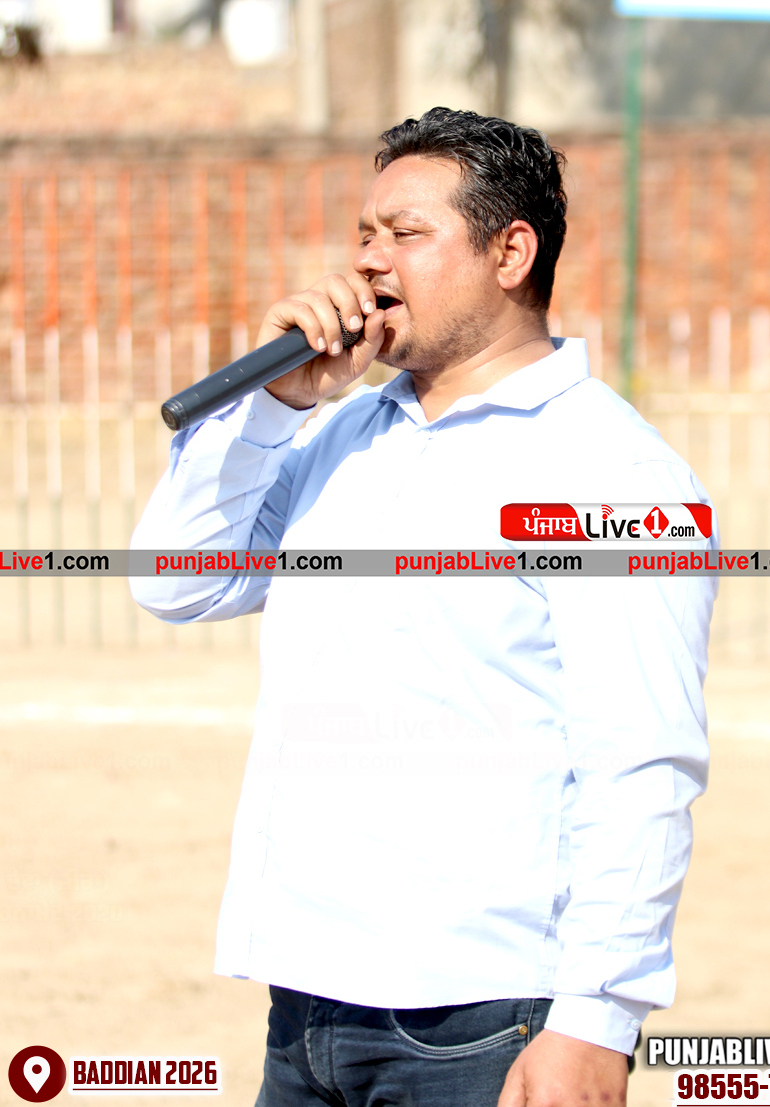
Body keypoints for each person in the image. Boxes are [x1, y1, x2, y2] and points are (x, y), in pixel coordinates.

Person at [131, 108, 716, 1107]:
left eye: (405, 233)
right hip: (305, 1005)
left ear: (510, 253)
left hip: (479, 1019)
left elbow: (642, 758)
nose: (368, 262)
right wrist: (273, 404)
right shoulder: (345, 433)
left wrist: (596, 1020)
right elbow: (176, 580)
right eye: (364, 234)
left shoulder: (611, 473)